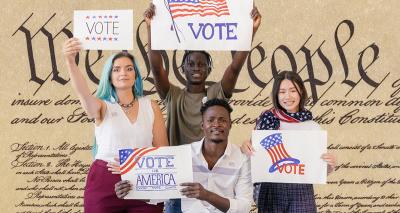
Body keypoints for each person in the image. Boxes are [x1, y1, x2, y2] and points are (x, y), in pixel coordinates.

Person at [144, 4, 261, 212]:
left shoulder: (217, 94)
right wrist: (151, 30)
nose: (196, 68)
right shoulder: (173, 96)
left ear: (209, 68)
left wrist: (250, 30)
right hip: (180, 183)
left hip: (214, 182)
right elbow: (156, 66)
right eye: (191, 64)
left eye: (201, 64)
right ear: (183, 69)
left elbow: (235, 67)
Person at [62, 38, 168, 213]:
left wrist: (133, 167)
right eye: (116, 69)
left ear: (136, 76)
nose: (123, 73)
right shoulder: (102, 106)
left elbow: (163, 151)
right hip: (105, 181)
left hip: (144, 180)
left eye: (129, 69)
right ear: (109, 77)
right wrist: (70, 61)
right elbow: (83, 93)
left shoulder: (152, 107)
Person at [115, 99, 253, 213]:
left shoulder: (242, 159)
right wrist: (132, 191)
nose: (216, 124)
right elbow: (161, 195)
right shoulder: (183, 154)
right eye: (210, 120)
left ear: (230, 124)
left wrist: (207, 195)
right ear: (202, 125)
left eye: (222, 120)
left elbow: (245, 206)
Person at [241, 71, 337, 212]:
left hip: (301, 191)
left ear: (301, 93)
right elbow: (253, 159)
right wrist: (245, 148)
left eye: (293, 90)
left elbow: (316, 170)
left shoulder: (313, 127)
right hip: (271, 188)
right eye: (282, 92)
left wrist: (330, 165)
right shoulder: (267, 119)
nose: (287, 96)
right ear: (276, 95)